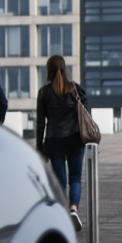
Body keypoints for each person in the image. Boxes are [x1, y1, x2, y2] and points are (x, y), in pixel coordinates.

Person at [35, 56, 87, 231]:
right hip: (74, 139)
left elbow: (41, 122)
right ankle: (73, 209)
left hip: (54, 140)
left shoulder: (44, 93)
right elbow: (87, 115)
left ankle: (61, 214)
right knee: (75, 179)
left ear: (48, 70)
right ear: (65, 69)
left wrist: (39, 146)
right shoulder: (76, 90)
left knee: (60, 181)